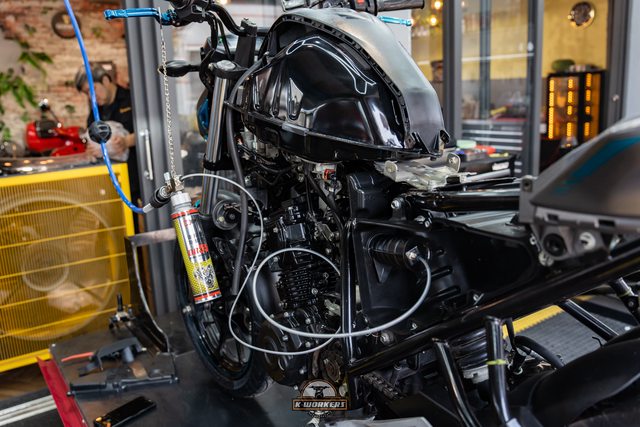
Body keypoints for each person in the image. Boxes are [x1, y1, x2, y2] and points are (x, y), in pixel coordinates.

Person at [75, 64, 140, 205]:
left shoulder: (133, 99)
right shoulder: (95, 111)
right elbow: (90, 138)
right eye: (86, 93)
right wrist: (90, 150)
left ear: (105, 80)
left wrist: (127, 141)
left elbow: (150, 132)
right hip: (113, 179)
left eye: (92, 89)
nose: (90, 96)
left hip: (139, 173)